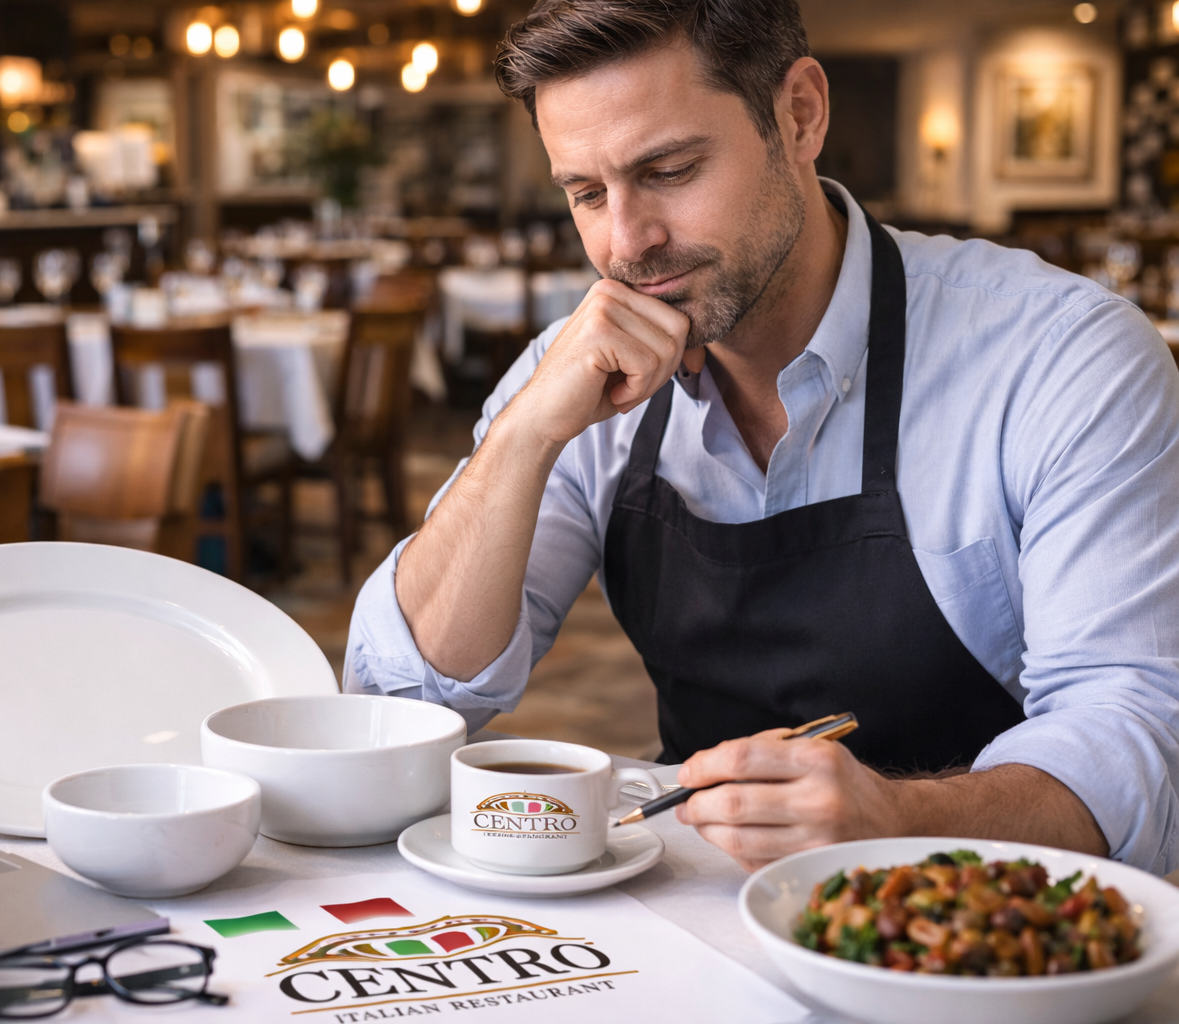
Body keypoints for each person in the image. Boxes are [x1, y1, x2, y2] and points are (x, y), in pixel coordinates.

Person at [344, 0, 1179, 874]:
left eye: (669, 169)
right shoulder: (572, 373)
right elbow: (397, 701)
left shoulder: (1060, 356)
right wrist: (520, 440)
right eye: (587, 193)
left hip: (986, 934)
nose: (626, 243)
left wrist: (899, 819)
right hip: (692, 923)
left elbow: (1136, 739)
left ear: (800, 116)